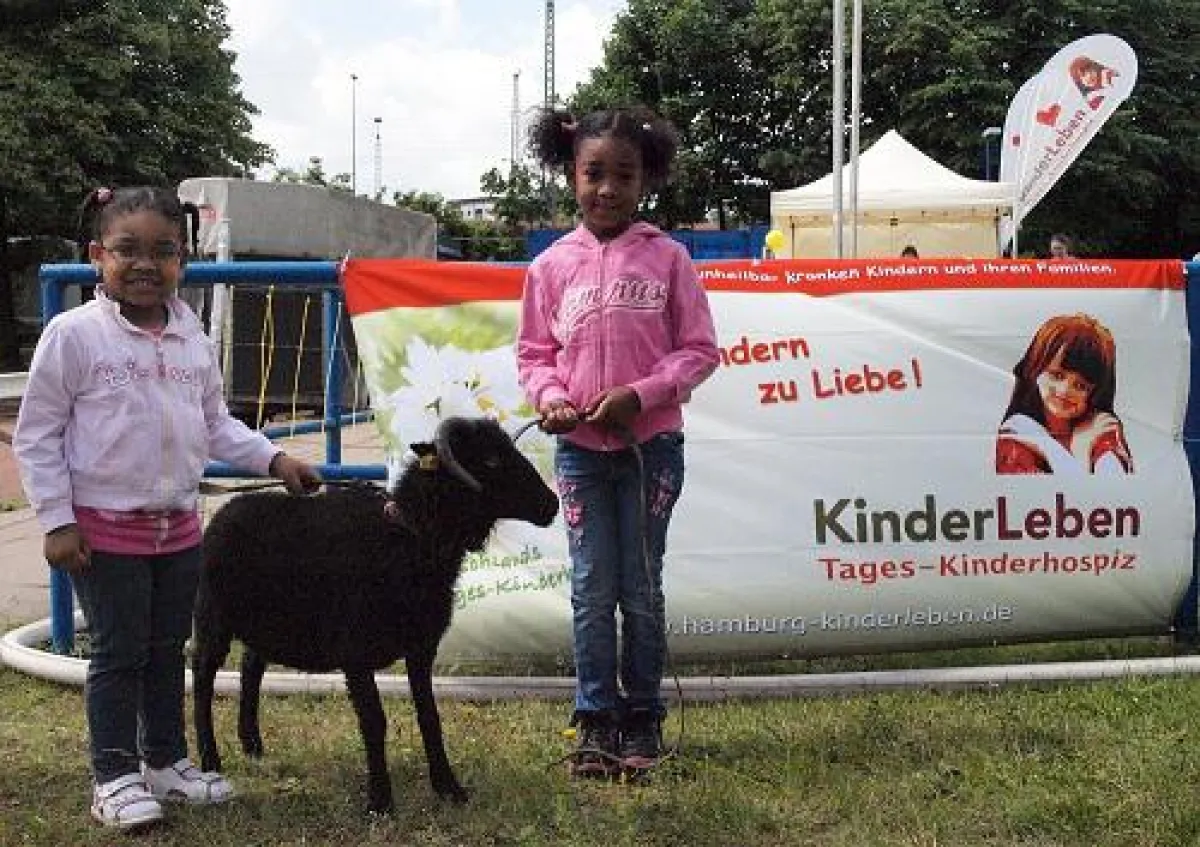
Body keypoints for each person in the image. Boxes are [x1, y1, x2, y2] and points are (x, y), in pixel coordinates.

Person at [13, 186, 321, 830]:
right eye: (128, 250)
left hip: (178, 531)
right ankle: (115, 776)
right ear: (98, 255)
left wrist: (274, 459)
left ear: (184, 259)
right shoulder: (74, 336)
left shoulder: (191, 337)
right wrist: (57, 521)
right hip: (102, 532)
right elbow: (38, 435)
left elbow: (216, 424)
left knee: (164, 650)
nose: (146, 264)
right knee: (119, 654)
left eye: (164, 251)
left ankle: (166, 763)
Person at [517, 106, 719, 778]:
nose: (607, 189)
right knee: (590, 586)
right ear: (570, 174)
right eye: (593, 174)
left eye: (623, 176)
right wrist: (551, 399)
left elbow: (699, 351)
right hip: (578, 454)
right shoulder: (549, 267)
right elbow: (534, 354)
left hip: (650, 451)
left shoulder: (669, 258)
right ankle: (595, 719)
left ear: (645, 181)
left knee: (640, 587)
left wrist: (643, 393)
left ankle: (643, 721)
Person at [995, 313, 1132, 475]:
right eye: (1057, 375)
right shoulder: (1017, 435)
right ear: (1036, 369)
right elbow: (1053, 498)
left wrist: (1054, 446)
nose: (1064, 390)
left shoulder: (1100, 428)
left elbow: (1115, 494)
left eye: (1081, 386)